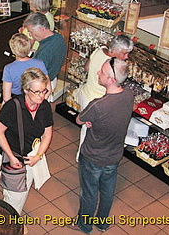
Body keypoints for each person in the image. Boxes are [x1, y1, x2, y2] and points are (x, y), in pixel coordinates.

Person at [69, 58, 134, 234]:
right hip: (114, 155)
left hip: (92, 157)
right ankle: (102, 223)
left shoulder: (98, 105)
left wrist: (90, 121)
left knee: (89, 193)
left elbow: (79, 119)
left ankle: (84, 224)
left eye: (102, 72)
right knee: (107, 191)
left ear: (111, 80)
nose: (98, 73)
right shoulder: (129, 96)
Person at [0, 67, 53, 215]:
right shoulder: (12, 107)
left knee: (22, 190)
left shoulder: (44, 106)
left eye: (44, 91)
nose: (42, 96)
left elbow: (47, 134)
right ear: (26, 90)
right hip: (12, 156)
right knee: (15, 196)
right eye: (37, 91)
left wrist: (38, 156)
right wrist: (12, 157)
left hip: (32, 155)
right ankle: (10, 224)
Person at [73, 34, 134, 161]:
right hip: (97, 101)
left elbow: (86, 67)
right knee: (93, 133)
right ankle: (84, 157)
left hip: (87, 93)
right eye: (124, 53)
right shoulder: (110, 66)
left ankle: (82, 155)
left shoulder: (98, 51)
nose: (126, 57)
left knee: (86, 130)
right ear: (115, 51)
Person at [23, 12, 66, 94]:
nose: (30, 35)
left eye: (31, 32)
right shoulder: (58, 37)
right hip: (53, 78)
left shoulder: (44, 53)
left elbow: (35, 77)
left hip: (42, 86)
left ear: (41, 28)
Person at [2, 33, 50, 103]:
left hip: (17, 100)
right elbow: (48, 87)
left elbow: (6, 98)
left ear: (13, 50)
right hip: (35, 98)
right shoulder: (39, 63)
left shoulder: (9, 68)